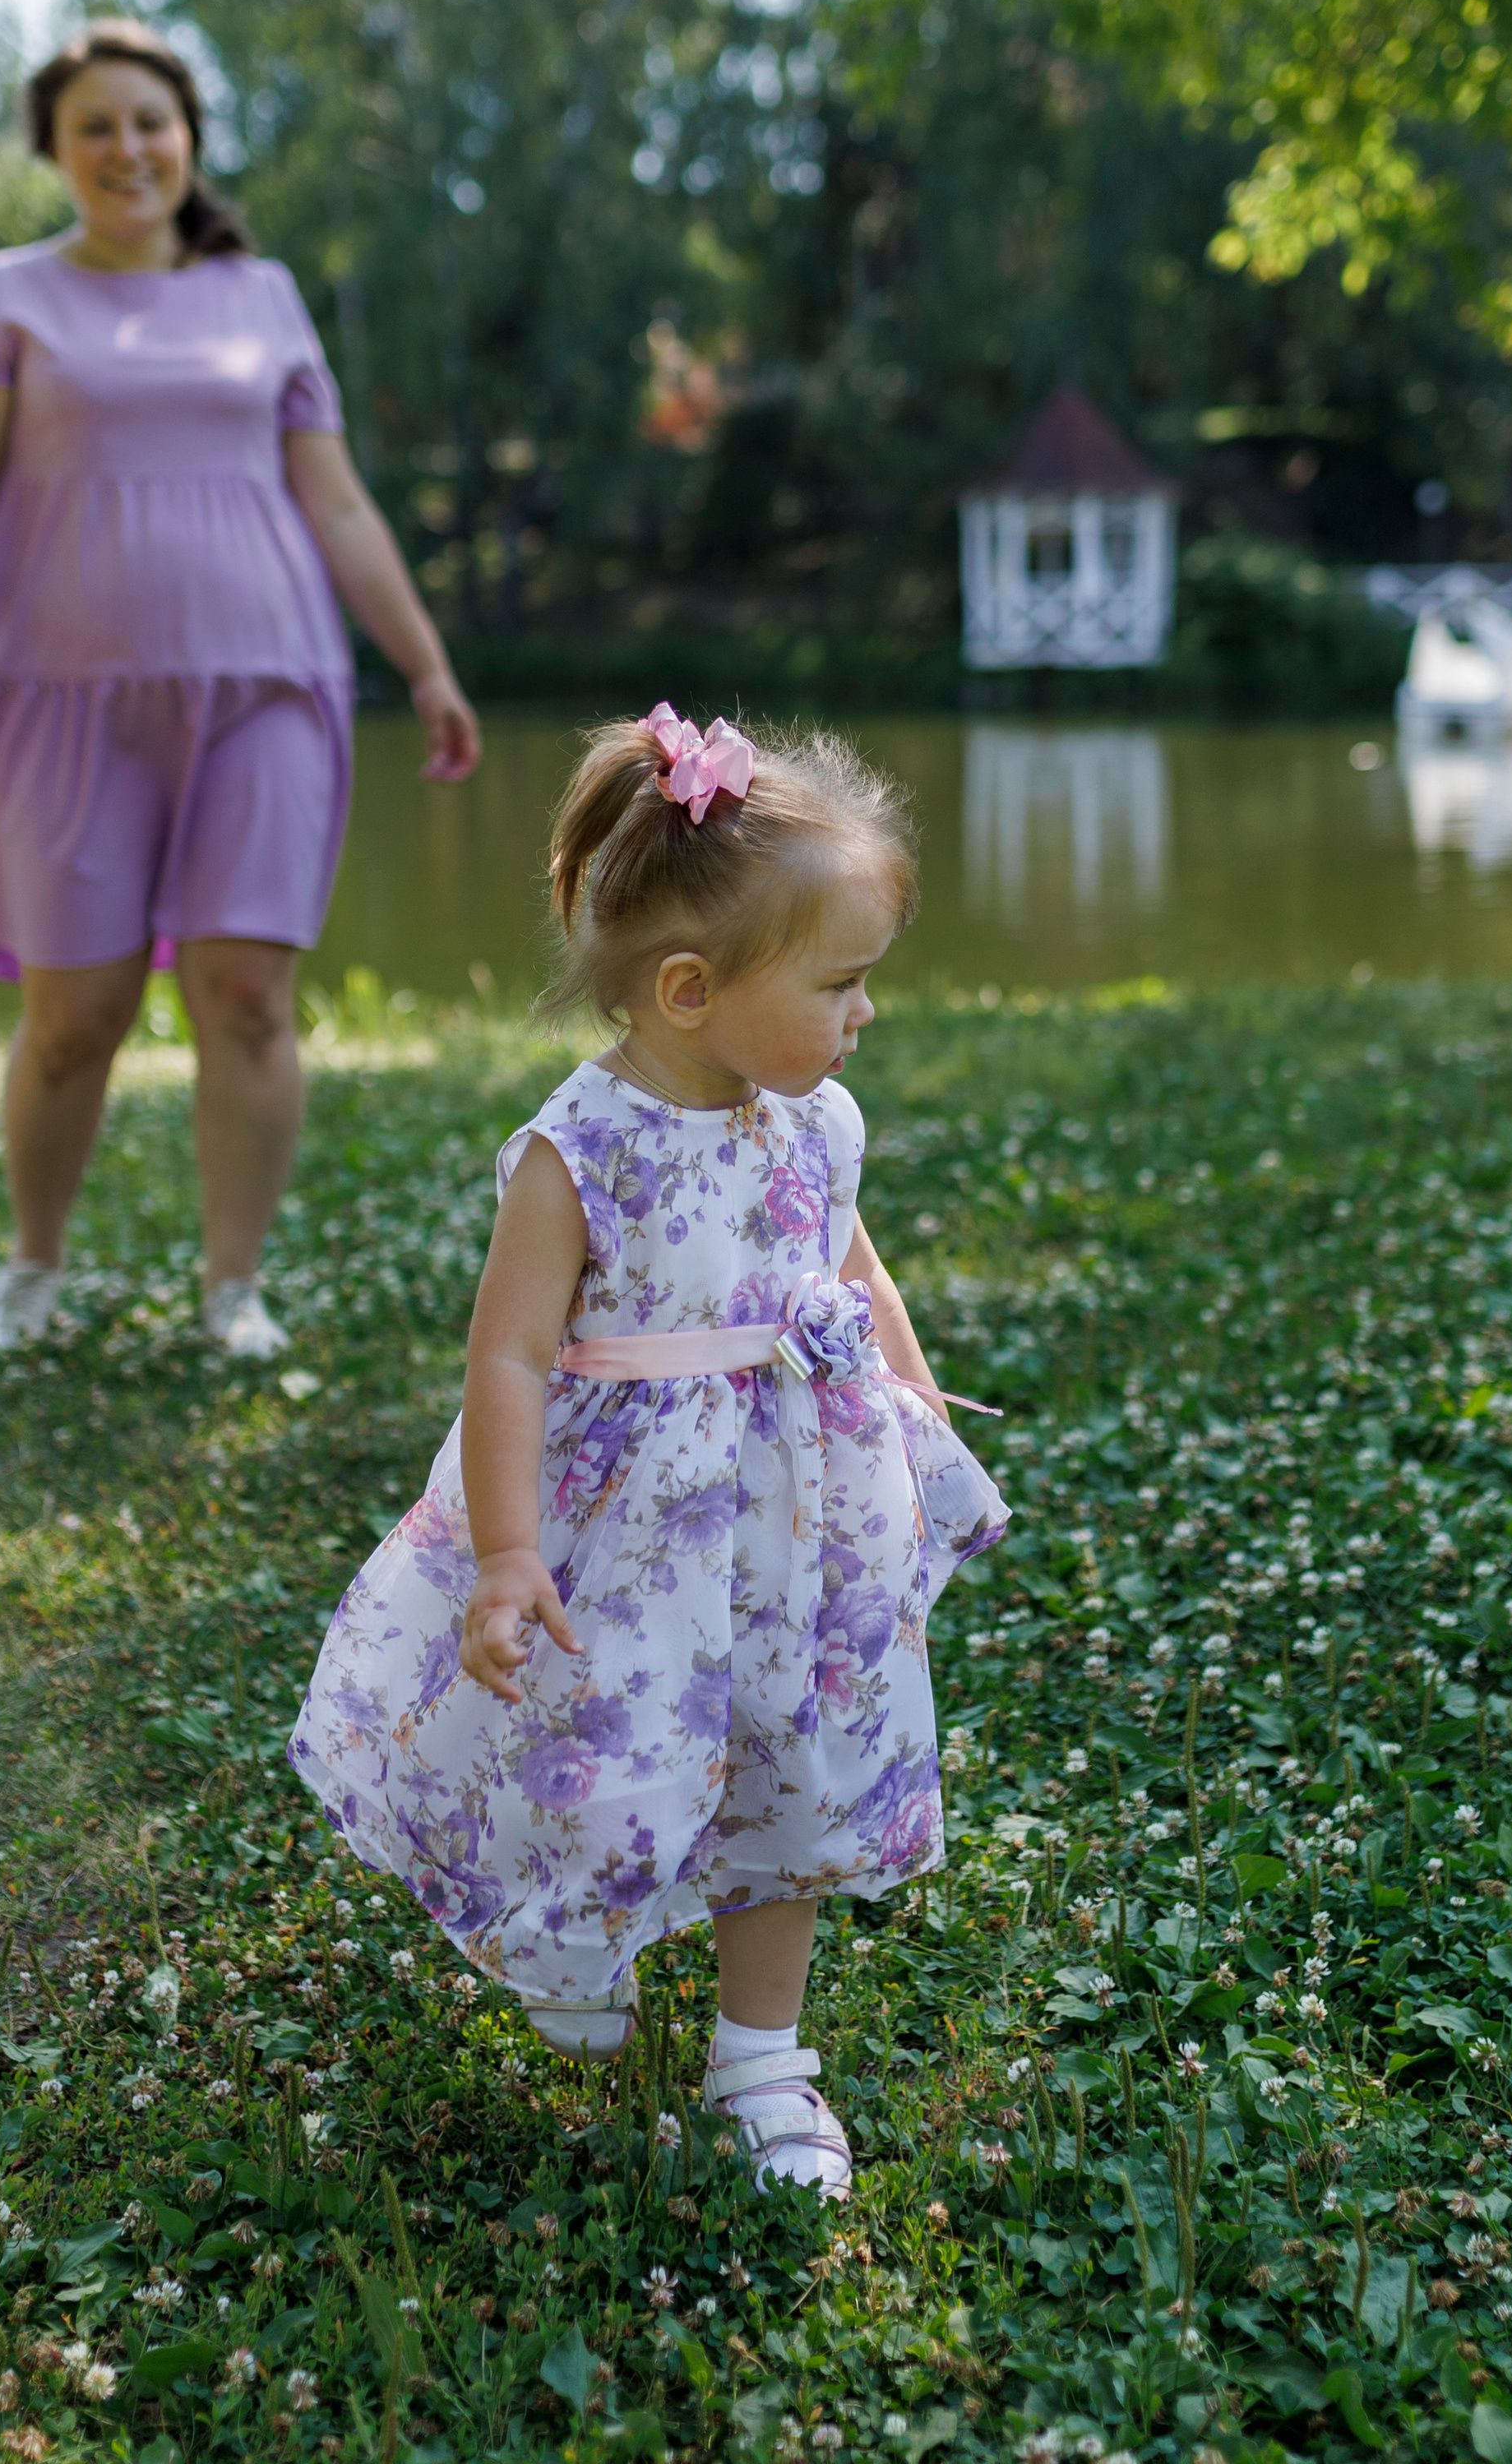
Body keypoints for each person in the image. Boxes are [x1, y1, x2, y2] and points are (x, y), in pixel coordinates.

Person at [289, 704, 1007, 2194]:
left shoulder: (818, 1123)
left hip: (796, 1526)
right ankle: (578, 1936)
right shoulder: (579, 1151)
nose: (864, 1016)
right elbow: (510, 1353)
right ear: (690, 989)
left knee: (791, 1778)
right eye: (842, 984)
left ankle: (765, 2062)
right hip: (626, 1537)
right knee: (605, 1764)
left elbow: (855, 1278)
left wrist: (919, 1419)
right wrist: (503, 1555)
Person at [0, 21, 479, 1360]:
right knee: (74, 1018)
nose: (126, 147)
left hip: (267, 683)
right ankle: (33, 1264)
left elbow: (334, 504)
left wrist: (426, 664)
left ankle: (233, 1291)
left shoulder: (263, 296)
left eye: (149, 120)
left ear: (190, 136)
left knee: (248, 997)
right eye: (93, 125)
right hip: (57, 697)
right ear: (53, 149)